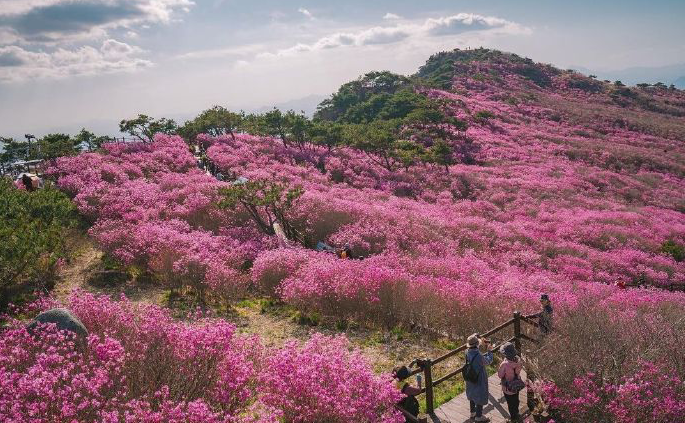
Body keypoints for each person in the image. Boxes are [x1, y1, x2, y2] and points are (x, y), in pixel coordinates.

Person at [465, 333, 493, 422]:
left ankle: (472, 412)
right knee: (479, 395)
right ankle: (479, 416)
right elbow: (488, 361)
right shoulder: (479, 356)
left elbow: (476, 358)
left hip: (470, 376)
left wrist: (477, 338)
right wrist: (489, 351)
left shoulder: (466, 352)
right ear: (477, 344)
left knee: (472, 394)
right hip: (479, 377)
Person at [498, 342, 523, 423]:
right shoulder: (518, 360)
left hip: (508, 387)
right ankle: (517, 413)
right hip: (516, 384)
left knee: (510, 403)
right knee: (516, 400)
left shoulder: (504, 364)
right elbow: (518, 371)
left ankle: (513, 418)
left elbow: (500, 375)